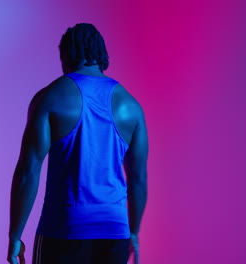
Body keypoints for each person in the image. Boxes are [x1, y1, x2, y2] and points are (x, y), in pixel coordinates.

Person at [8, 23, 148, 264]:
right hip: (115, 231)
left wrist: (15, 235)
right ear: (102, 56)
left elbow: (28, 171)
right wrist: (133, 232)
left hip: (64, 229)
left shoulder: (51, 98)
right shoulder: (130, 105)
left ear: (66, 57)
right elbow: (138, 178)